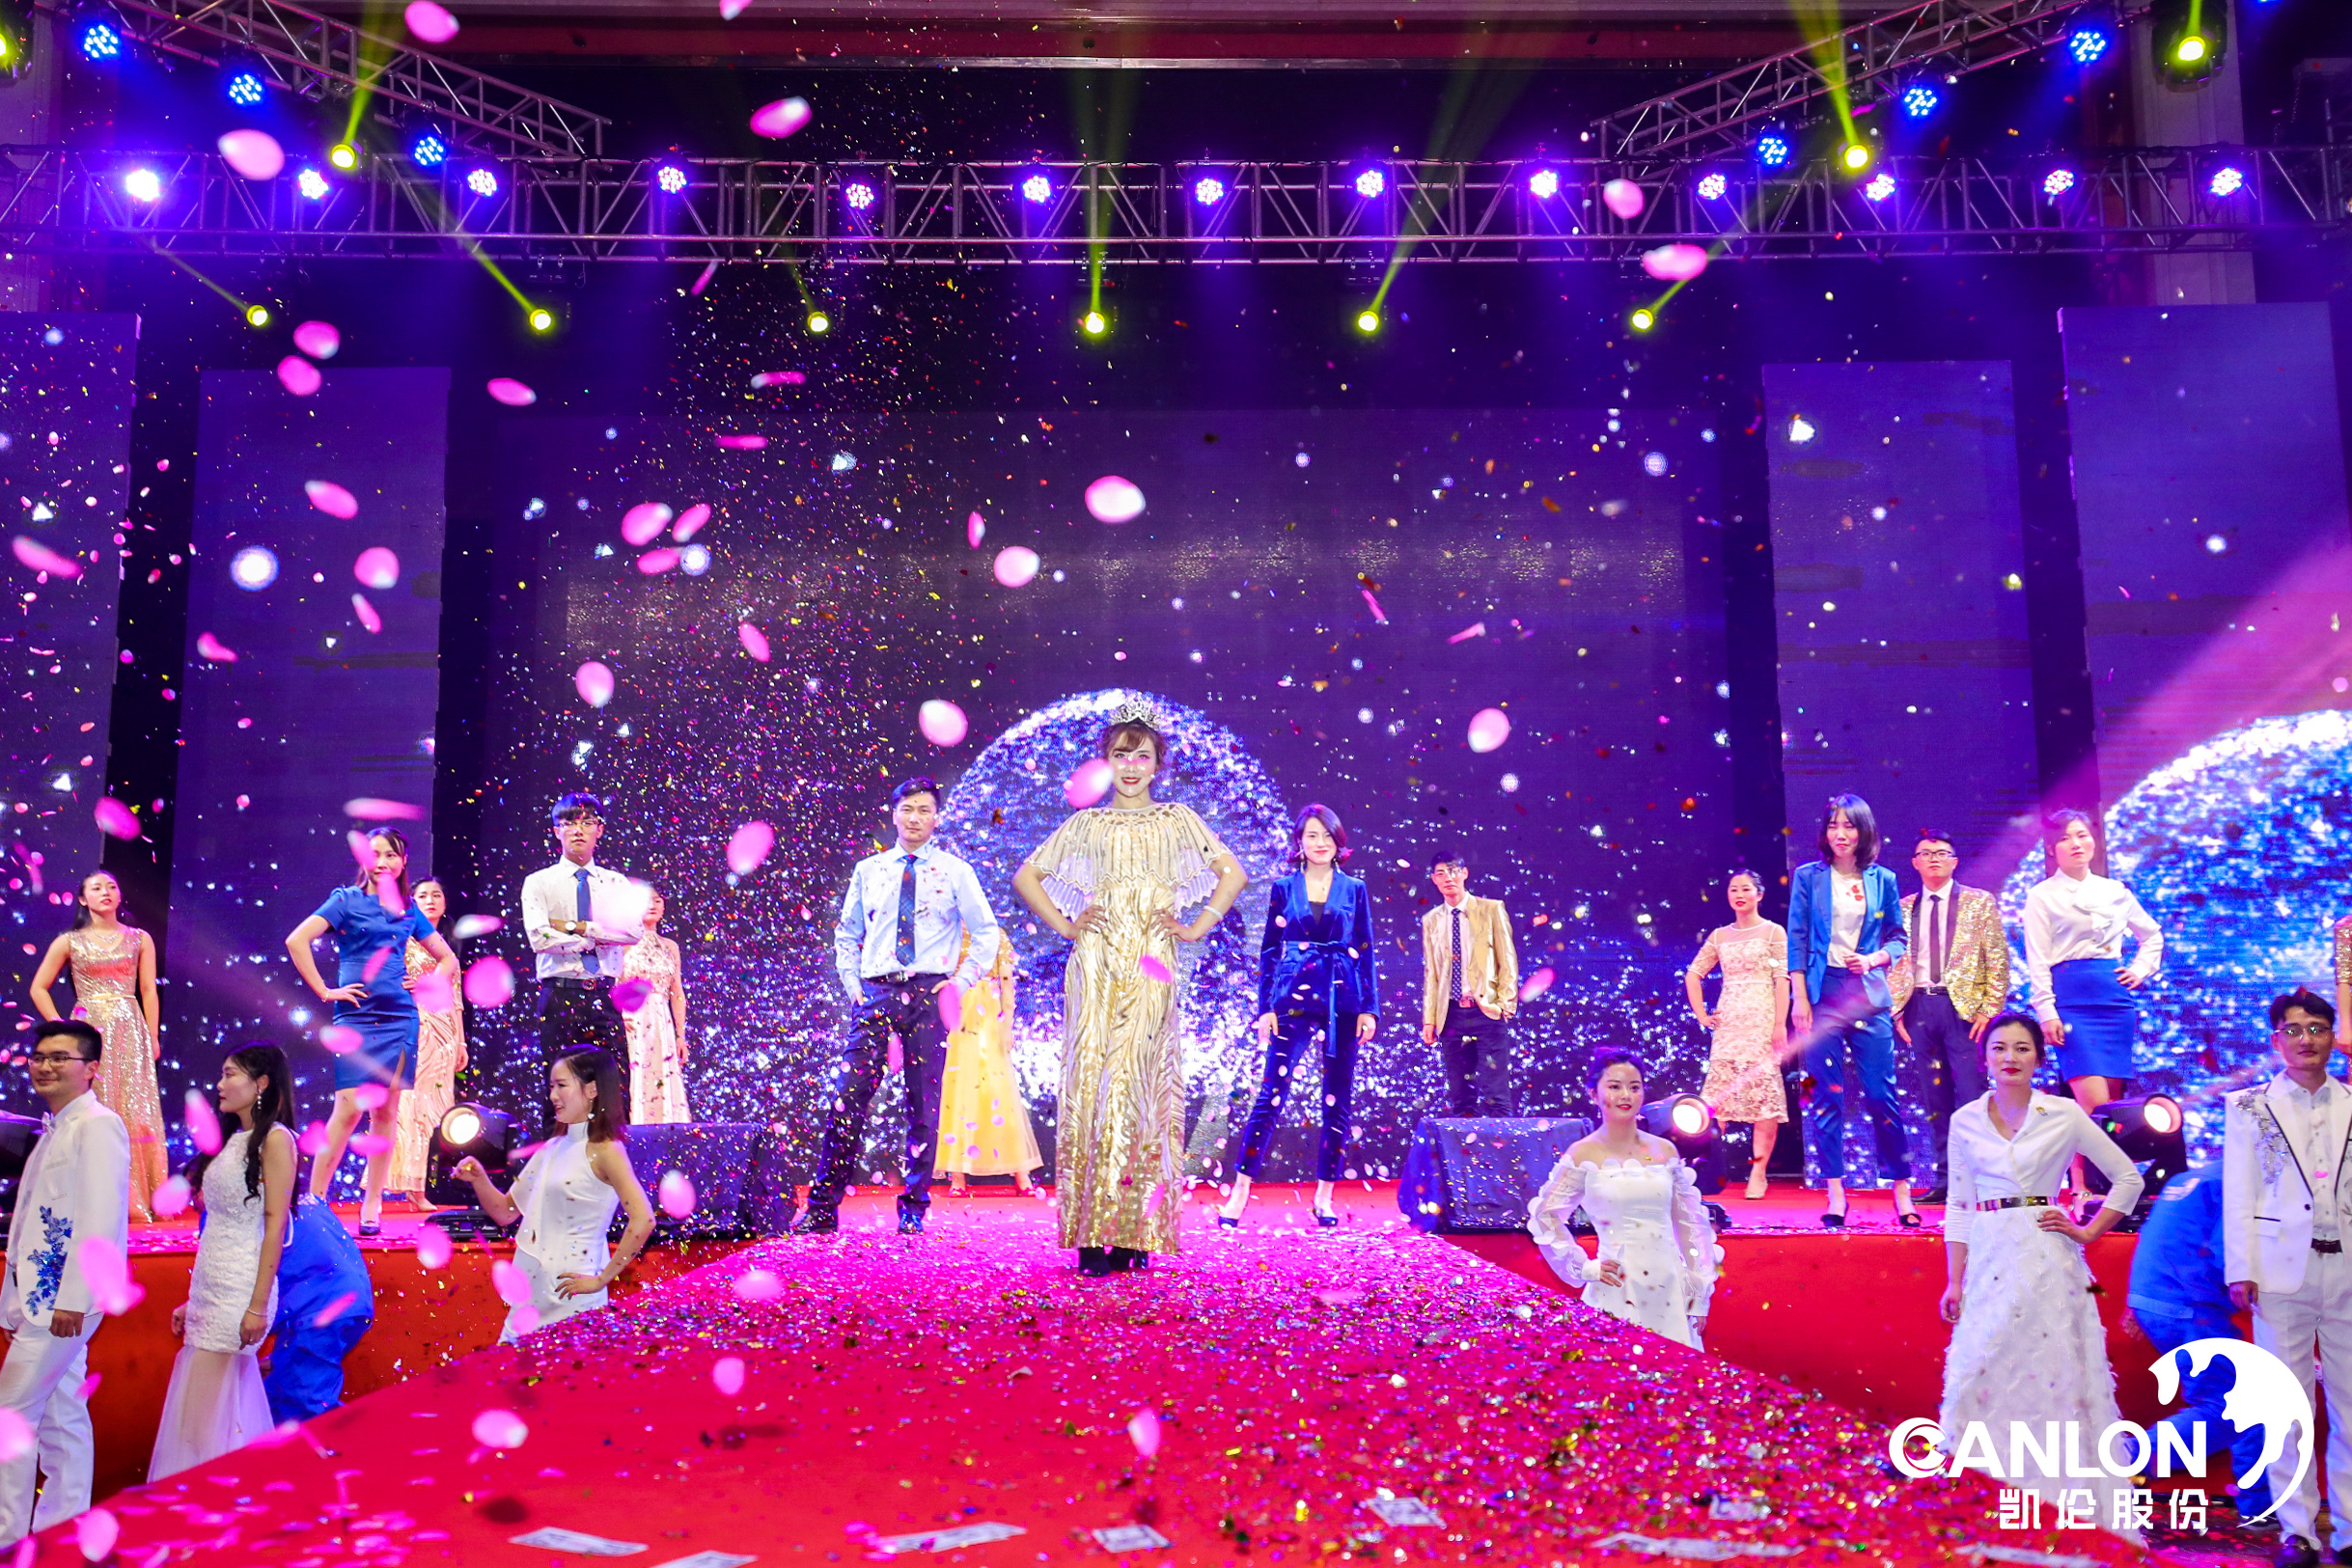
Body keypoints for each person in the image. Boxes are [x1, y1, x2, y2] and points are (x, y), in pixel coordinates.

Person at [1012, 701, 1248, 1279]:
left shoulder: (1177, 820)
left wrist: (1197, 926)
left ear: (1157, 764)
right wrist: (1067, 926)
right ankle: (1092, 1234)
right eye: (1122, 755)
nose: (1132, 766)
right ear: (1107, 762)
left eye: (1142, 756)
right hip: (1094, 965)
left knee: (1141, 1086)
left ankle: (1136, 1231)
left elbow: (1233, 873)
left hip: (1150, 965)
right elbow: (1027, 876)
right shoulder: (1086, 824)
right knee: (1091, 1085)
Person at [1937, 1012, 2144, 1538]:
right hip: (1988, 1258)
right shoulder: (1965, 1120)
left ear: (2038, 1057)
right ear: (1985, 1058)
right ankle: (1985, 1506)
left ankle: (2065, 1507)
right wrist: (1954, 1280)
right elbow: (1958, 1204)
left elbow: (2128, 1178)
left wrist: (2088, 1231)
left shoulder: (2064, 1113)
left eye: (2022, 1048)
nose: (2010, 1057)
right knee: (1979, 1371)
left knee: (2057, 1377)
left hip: (2047, 1258)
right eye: (2000, 1048)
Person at [804, 776, 1004, 1237]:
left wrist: (960, 982)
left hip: (928, 996)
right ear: (893, 814)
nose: (915, 818)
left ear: (937, 817)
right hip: (876, 993)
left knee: (923, 1107)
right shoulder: (869, 870)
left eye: (924, 810)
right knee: (847, 1098)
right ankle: (821, 1208)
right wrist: (852, 983)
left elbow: (986, 931)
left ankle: (913, 1209)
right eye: (907, 809)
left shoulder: (956, 871)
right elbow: (847, 932)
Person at [2223, 989, 2350, 1567]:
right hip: (2278, 1272)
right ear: (2276, 1039)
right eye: (2294, 1030)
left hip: (2346, 1267)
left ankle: (2347, 1530)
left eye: (2317, 1028)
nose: (2306, 1040)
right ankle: (2297, 1532)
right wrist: (2240, 1268)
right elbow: (2238, 1192)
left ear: (2333, 1036)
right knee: (2286, 1407)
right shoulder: (2249, 1106)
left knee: (2351, 1406)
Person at [284, 827, 457, 1237]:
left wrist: (428, 984)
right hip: (356, 1017)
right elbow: (296, 940)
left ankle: (372, 1205)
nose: (382, 862)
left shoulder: (408, 909)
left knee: (385, 1112)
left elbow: (448, 959)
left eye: (391, 855)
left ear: (403, 861)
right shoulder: (346, 900)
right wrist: (325, 990)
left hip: (399, 1018)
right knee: (347, 1110)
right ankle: (316, 1201)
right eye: (374, 854)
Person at [0, 1020, 129, 1544]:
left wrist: (75, 1298)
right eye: (39, 1057)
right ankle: (63, 1529)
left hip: (63, 1301)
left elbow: (101, 1217)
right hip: (39, 1299)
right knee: (62, 1415)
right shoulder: (57, 1125)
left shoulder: (98, 1125)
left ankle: (7, 1535)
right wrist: (11, 1300)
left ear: (91, 1068)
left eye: (60, 1058)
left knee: (10, 1414)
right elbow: (30, 1220)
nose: (45, 1067)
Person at [1222, 805, 1379, 1229]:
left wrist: (1369, 1008)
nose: (1320, 843)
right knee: (1270, 1095)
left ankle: (1324, 1197)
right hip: (1292, 999)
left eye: (1327, 835)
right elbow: (1270, 951)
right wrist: (1265, 1008)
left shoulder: (1354, 889)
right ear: (1300, 842)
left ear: (1338, 841)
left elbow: (1365, 950)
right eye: (1312, 835)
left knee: (1337, 1101)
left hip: (1342, 1001)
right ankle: (1239, 1193)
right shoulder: (1283, 887)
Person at [150, 1045, 295, 1479]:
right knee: (219, 1415)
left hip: (241, 1293)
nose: (219, 1084)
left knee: (199, 1423)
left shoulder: (275, 1139)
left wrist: (257, 1305)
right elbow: (219, 1227)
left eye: (230, 1074)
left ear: (261, 1083)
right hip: (212, 1290)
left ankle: (203, 1499)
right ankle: (232, 1497)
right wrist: (192, 1301)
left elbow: (275, 1224)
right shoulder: (234, 1140)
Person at [453, 1050, 654, 1344]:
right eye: (550, 1087)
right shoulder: (551, 1148)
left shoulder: (607, 1150)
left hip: (573, 1300)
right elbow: (506, 1212)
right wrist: (479, 1179)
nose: (552, 1095)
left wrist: (601, 1280)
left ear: (592, 1090)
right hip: (530, 1300)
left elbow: (644, 1219)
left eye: (561, 1085)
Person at [1527, 1049, 1721, 1350]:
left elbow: (1690, 1224)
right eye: (1614, 1086)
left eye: (1634, 1086)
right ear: (1594, 1094)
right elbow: (1545, 1216)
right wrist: (1585, 1267)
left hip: (1670, 1290)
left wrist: (1698, 1290)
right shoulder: (1582, 1154)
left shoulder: (1665, 1151)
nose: (1626, 1095)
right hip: (1616, 1287)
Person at [1786, 793, 1916, 1229]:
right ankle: (1835, 1193)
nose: (1840, 834)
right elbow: (1797, 937)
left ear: (1864, 831)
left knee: (1881, 1095)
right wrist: (1799, 997)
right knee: (1826, 1096)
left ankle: (1901, 1188)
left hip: (1866, 994)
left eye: (1849, 826)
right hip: (1822, 994)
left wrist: (1876, 958)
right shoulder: (1809, 877)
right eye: (1833, 826)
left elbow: (1898, 938)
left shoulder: (1884, 879)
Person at [2121, 1163, 2272, 1525]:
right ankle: (2128, 1458)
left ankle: (2260, 1506)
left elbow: (2156, 1237)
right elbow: (2230, 1255)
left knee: (2245, 1400)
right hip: (2188, 1305)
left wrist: (2137, 1302)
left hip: (2156, 1299)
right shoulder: (2242, 1181)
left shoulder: (2189, 1177)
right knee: (2237, 1405)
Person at [2023, 808, 2161, 1194]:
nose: (2076, 844)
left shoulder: (2115, 891)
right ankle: (2091, 1187)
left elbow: (2152, 936)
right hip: (2071, 1001)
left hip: (2113, 1000)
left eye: (2082, 835)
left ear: (2094, 841)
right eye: (2065, 838)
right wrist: (2046, 1010)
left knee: (2113, 1109)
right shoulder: (2042, 896)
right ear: (2052, 848)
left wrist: (2140, 969)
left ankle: (2099, 1189)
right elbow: (2037, 959)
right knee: (2093, 1106)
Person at [28, 870, 168, 1224]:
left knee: (134, 1108)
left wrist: (152, 1035)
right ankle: (88, 1195)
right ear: (82, 899)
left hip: (129, 1027)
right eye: (96, 888)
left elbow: (148, 990)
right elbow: (38, 987)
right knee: (95, 1104)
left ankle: (137, 1198)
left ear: (119, 896)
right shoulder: (69, 941)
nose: (106, 892)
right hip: (87, 1029)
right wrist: (62, 1028)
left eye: (112, 887)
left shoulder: (140, 938)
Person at [1889, 830, 2011, 1198]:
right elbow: (1894, 962)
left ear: (1955, 861)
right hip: (1920, 1007)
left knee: (1973, 1096)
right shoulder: (1903, 907)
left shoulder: (1978, 902)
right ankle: (1945, 1181)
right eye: (1926, 853)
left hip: (1965, 1012)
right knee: (1935, 1099)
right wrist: (1896, 1011)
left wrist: (1989, 1010)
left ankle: (1983, 1181)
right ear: (1915, 862)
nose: (1934, 859)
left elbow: (1998, 958)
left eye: (1942, 853)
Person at [1683, 868, 1788, 1200]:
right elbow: (1693, 974)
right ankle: (1709, 1169)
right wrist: (1702, 1014)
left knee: (1764, 1100)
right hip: (1729, 1022)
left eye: (1746, 889)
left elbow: (1782, 980)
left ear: (1760, 894)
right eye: (1733, 889)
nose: (1739, 895)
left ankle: (1758, 1171)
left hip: (1762, 1020)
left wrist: (1779, 1024)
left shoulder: (1773, 931)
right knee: (1716, 1100)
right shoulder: (1719, 936)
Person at [519, 792, 636, 1082]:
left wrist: (581, 928)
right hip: (560, 994)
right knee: (559, 1085)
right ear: (556, 831)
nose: (578, 830)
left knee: (614, 1084)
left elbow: (633, 931)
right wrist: (590, 940)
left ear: (600, 830)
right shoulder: (538, 882)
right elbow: (539, 938)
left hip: (604, 995)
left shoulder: (615, 882)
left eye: (587, 822)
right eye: (569, 823)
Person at [934, 937, 1040, 1196]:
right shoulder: (950, 932)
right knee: (959, 1089)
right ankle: (957, 1174)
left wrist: (1007, 1026)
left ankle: (1020, 1172)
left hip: (990, 1016)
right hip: (960, 1015)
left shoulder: (997, 935)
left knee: (999, 1089)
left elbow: (1007, 983)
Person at [1419, 849, 1519, 1118]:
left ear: (1464, 873)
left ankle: (1502, 1143)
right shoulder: (1431, 921)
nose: (1448, 878)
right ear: (1434, 879)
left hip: (1486, 1010)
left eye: (1453, 871)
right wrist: (1429, 1020)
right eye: (1441, 873)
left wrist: (1506, 1005)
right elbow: (1432, 973)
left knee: (1496, 1096)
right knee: (1461, 1098)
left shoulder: (1490, 909)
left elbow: (1507, 959)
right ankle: (1466, 1145)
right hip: (1450, 1013)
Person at [387, 877, 467, 1206]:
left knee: (438, 1102)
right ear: (412, 902)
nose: (430, 900)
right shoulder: (403, 941)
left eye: (437, 895)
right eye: (423, 895)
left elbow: (456, 1000)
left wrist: (461, 1043)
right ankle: (408, 1183)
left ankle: (427, 1183)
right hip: (415, 1024)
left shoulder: (447, 947)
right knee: (411, 1101)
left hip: (445, 1031)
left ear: (445, 904)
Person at [263, 1193, 374, 1424]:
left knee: (305, 1409)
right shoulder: (308, 1200)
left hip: (317, 1309)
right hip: (350, 1300)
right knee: (276, 1397)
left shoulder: (258, 1210)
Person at [621, 889, 691, 1124]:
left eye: (657, 900)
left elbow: (677, 992)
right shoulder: (622, 944)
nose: (652, 905)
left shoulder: (670, 946)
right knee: (636, 1075)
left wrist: (681, 1036)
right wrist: (619, 1017)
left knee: (663, 1074)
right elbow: (614, 985)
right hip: (633, 1020)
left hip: (662, 1021)